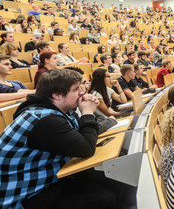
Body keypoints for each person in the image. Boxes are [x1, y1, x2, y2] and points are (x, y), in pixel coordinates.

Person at [0, 69, 129, 208]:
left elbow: (85, 132)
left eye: (81, 87)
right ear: (56, 95)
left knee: (114, 176)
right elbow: (86, 148)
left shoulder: (61, 111)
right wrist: (87, 112)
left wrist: (90, 116)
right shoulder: (43, 119)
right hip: (25, 195)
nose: (82, 92)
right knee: (102, 197)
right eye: (76, 89)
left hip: (49, 177)